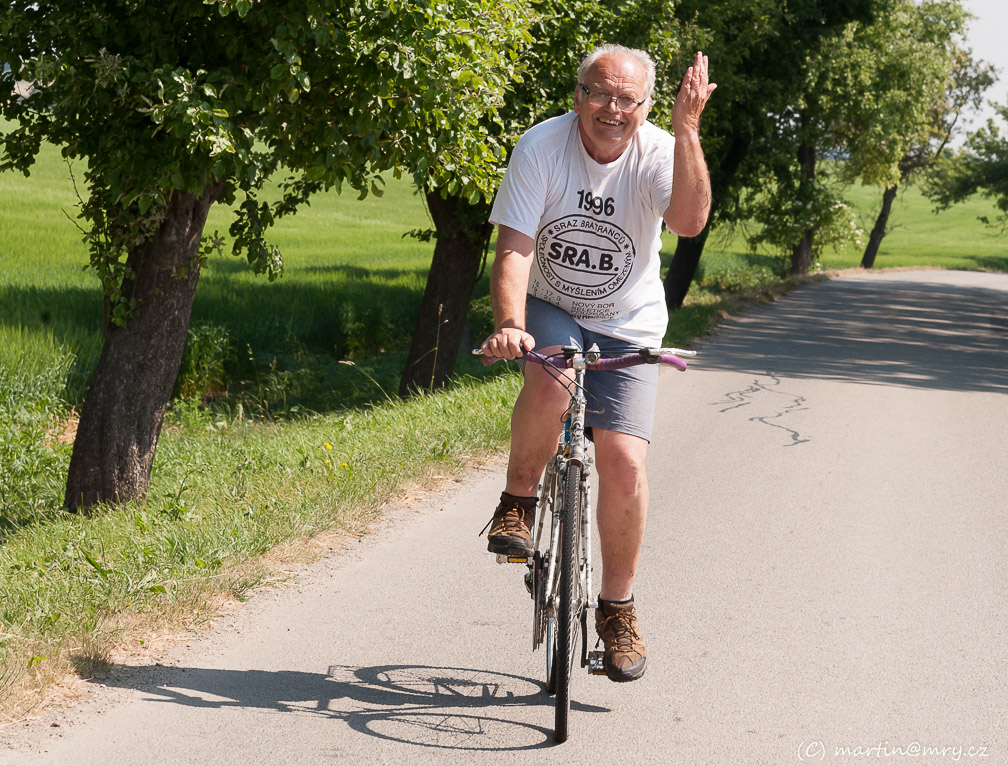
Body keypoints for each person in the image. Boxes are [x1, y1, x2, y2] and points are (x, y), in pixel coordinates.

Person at [479, 44, 715, 682]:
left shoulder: (660, 150)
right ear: (578, 94)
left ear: (644, 105)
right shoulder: (542, 147)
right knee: (553, 375)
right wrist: (509, 324)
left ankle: (617, 608)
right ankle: (518, 500)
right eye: (599, 94)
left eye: (628, 100)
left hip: (629, 319)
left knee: (625, 460)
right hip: (553, 303)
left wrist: (688, 129)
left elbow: (690, 221)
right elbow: (515, 247)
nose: (612, 110)